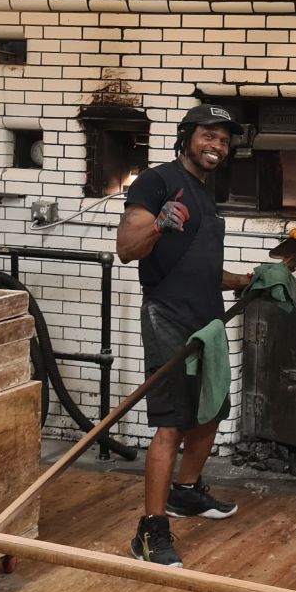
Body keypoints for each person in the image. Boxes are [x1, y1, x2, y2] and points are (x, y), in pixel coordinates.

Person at [116, 104, 252, 568]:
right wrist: (157, 223)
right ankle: (151, 530)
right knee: (172, 422)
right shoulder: (156, 181)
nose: (217, 146)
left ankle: (187, 491)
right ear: (187, 136)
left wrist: (247, 280)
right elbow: (127, 251)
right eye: (209, 136)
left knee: (212, 407)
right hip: (168, 316)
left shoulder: (205, 193)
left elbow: (200, 269)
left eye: (224, 140)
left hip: (207, 318)